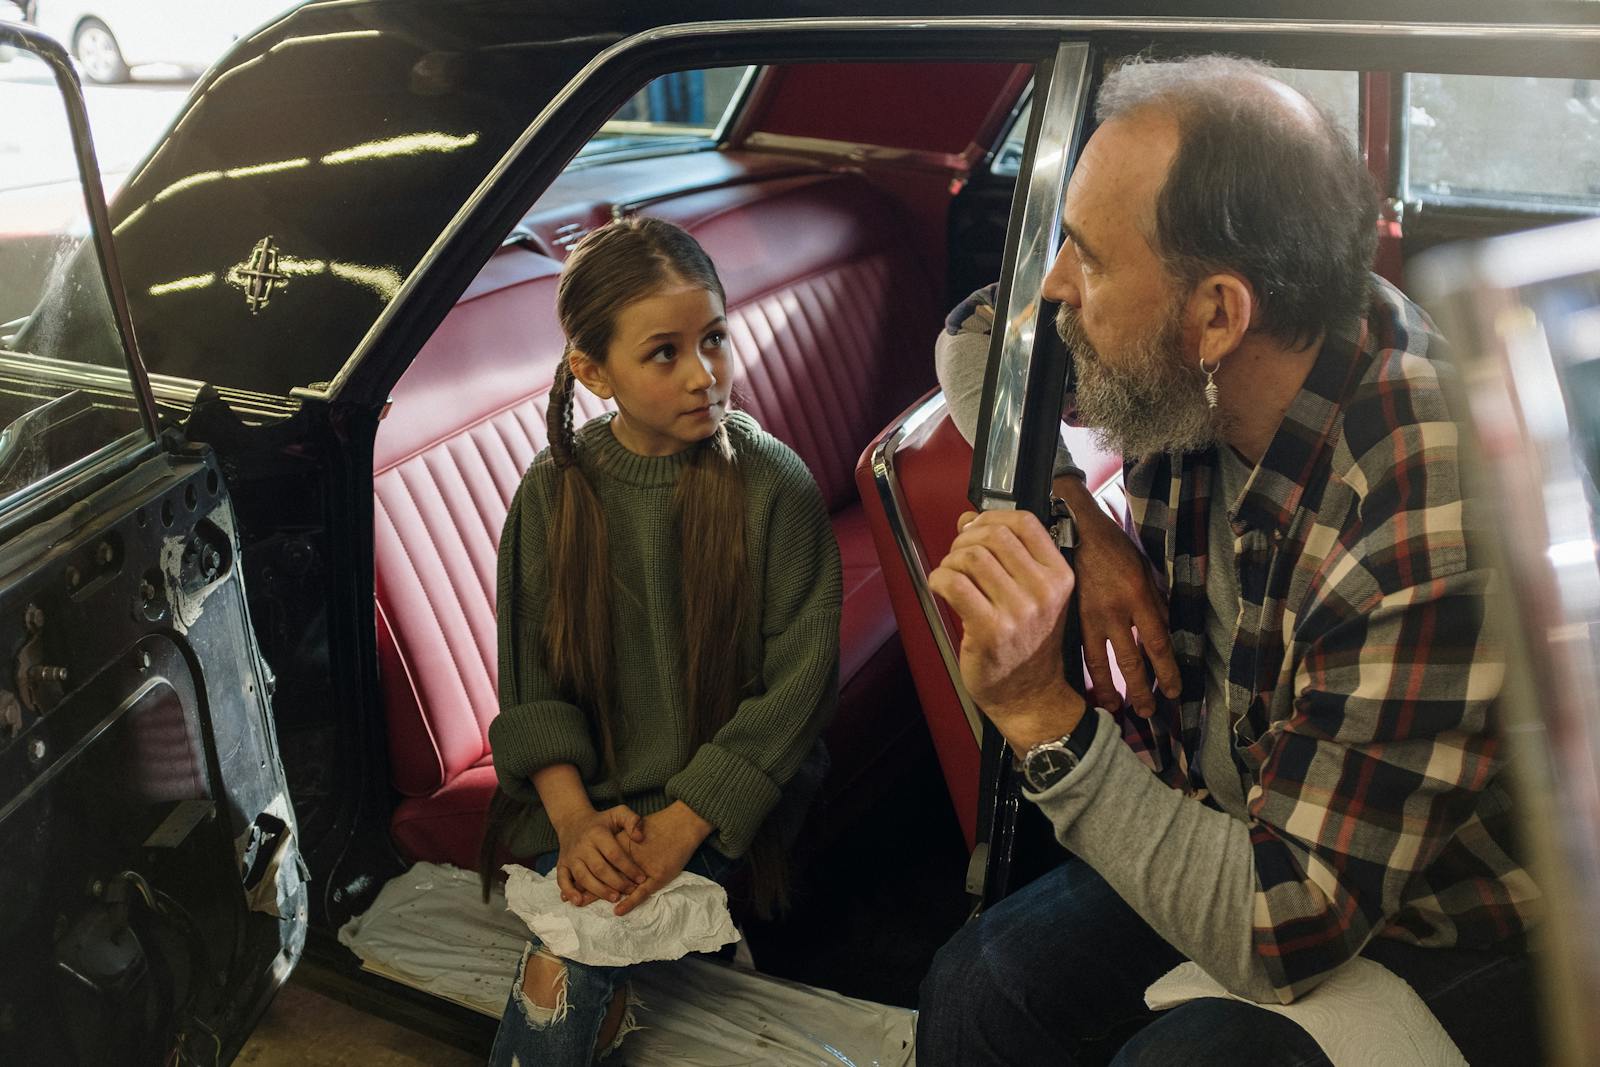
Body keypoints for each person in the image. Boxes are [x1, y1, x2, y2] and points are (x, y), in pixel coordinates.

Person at [918, 56, 1540, 1065]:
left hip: (1438, 916)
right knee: (976, 984)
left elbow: (1286, 918)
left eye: (1087, 257)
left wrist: (1041, 717)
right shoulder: (1227, 347)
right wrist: (1083, 520)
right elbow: (978, 334)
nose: (1053, 285)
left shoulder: (1423, 490)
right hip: (1240, 813)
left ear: (1216, 314)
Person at [478, 216, 841, 1065]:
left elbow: (799, 684)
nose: (703, 374)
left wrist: (684, 823)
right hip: (589, 794)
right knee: (564, 968)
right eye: (665, 353)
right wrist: (574, 820)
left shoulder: (774, 485)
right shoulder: (552, 493)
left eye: (714, 338)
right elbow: (531, 686)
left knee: (577, 956)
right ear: (592, 371)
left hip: (728, 794)